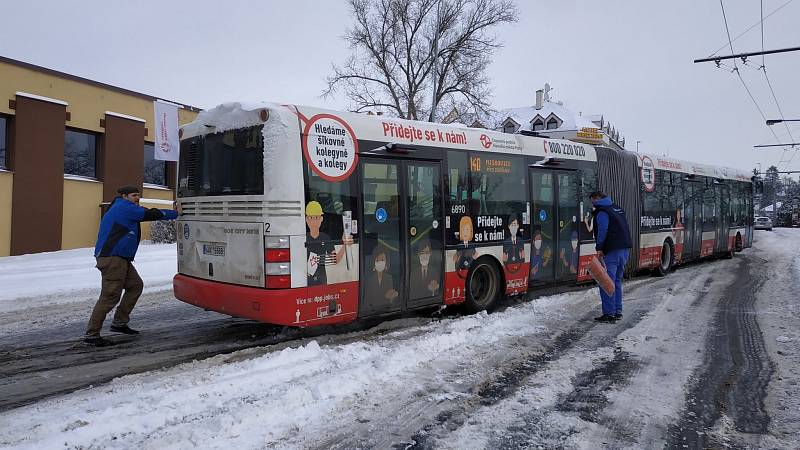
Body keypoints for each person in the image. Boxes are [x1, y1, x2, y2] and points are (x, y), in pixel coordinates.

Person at [84, 186, 179, 346]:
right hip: (112, 258)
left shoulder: (122, 207)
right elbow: (150, 214)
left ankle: (119, 323)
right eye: (134, 195)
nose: (137, 198)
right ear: (124, 196)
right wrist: (176, 213)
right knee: (110, 296)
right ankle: (92, 335)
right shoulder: (123, 207)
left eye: (138, 195)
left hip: (121, 258)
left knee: (135, 286)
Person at [590, 191, 633, 323]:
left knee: (606, 282)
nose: (592, 204)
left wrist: (599, 248)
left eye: (592, 201)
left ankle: (609, 313)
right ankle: (617, 311)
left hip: (612, 250)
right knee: (617, 281)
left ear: (596, 199)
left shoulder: (602, 212)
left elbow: (603, 229)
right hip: (624, 249)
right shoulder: (617, 208)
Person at [305, 201, 353, 286]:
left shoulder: (325, 238)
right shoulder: (302, 238)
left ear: (321, 219)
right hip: (305, 281)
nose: (313, 221)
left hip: (322, 281)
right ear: (306, 219)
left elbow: (335, 259)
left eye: (316, 217)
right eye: (311, 217)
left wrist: (344, 244)